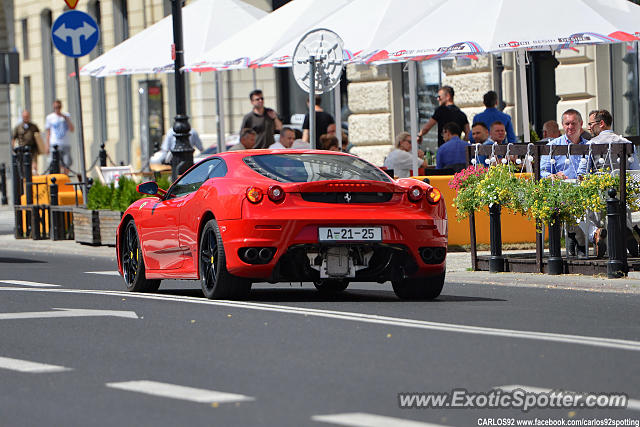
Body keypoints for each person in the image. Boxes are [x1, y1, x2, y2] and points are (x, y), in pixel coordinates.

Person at [540, 109, 589, 180]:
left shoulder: (588, 145)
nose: (570, 127)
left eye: (573, 123)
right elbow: (543, 172)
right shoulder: (552, 146)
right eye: (567, 124)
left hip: (586, 189)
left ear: (581, 124)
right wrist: (554, 176)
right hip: (561, 189)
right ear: (562, 125)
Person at [45, 99, 75, 175]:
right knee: (56, 163)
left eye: (58, 107)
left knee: (67, 162)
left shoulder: (66, 115)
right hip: (55, 144)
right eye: (55, 107)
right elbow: (48, 132)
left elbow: (72, 129)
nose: (57, 109)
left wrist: (66, 119)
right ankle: (58, 179)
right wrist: (47, 145)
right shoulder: (50, 117)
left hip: (65, 143)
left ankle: (65, 177)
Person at [12, 109, 41, 174]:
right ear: (22, 117)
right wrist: (13, 149)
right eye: (24, 116)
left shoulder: (34, 126)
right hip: (22, 149)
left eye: (27, 116)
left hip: (32, 149)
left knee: (34, 166)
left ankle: (34, 179)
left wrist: (40, 148)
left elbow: (39, 137)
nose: (26, 118)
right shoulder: (18, 127)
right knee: (23, 167)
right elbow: (13, 138)